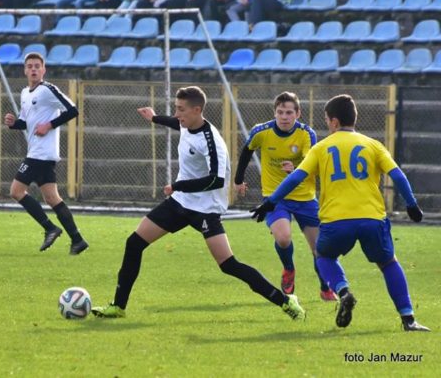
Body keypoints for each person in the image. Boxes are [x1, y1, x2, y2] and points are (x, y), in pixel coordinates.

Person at [91, 86, 305, 320]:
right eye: (176, 108)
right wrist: (154, 118)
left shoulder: (211, 141)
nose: (177, 114)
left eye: (181, 109)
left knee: (228, 265)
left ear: (197, 110)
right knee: (134, 243)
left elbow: (216, 180)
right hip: (179, 203)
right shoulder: (186, 124)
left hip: (205, 209)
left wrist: (178, 185)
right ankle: (118, 307)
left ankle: (286, 301)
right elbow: (176, 124)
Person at [251, 94, 430, 332]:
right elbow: (397, 175)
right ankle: (408, 318)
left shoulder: (321, 148)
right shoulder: (373, 145)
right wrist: (411, 204)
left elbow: (296, 178)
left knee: (324, 257)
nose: (327, 124)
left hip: (336, 221)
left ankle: (343, 292)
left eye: (327, 120)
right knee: (388, 263)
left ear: (334, 122)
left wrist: (270, 202)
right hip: (372, 218)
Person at [234, 92, 335, 301]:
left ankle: (325, 287)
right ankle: (289, 269)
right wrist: (238, 180)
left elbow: (311, 164)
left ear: (298, 113)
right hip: (275, 197)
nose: (284, 117)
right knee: (283, 238)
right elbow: (246, 151)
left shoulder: (306, 134)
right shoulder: (261, 131)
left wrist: (296, 169)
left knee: (319, 248)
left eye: (289, 112)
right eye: (280, 112)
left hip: (305, 198)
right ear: (275, 113)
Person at [4, 53, 89, 255]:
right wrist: (13, 124)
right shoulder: (25, 93)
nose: (33, 69)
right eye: (30, 66)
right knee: (52, 198)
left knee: (16, 191)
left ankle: (50, 228)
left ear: (43, 70)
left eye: (37, 66)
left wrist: (50, 125)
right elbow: (26, 123)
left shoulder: (48, 89)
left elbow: (73, 110)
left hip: (41, 154)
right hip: (38, 153)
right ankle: (77, 240)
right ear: (25, 70)